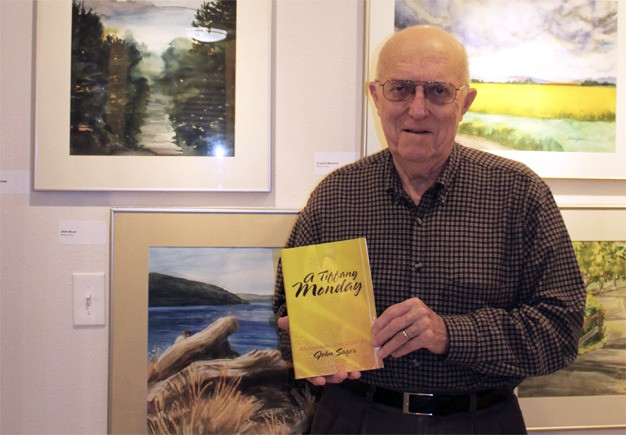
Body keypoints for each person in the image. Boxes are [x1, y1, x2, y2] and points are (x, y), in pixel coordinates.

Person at [272, 25, 585, 434]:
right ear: (376, 96)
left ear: (465, 102)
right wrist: (308, 351)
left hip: (481, 422)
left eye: (438, 91)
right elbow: (286, 317)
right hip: (354, 419)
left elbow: (561, 331)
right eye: (400, 89)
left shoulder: (519, 193)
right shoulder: (333, 197)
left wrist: (449, 333)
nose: (417, 109)